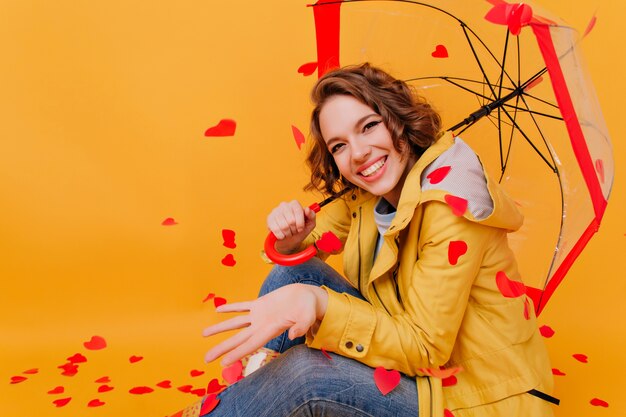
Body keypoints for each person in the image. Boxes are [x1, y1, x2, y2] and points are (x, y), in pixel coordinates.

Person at [170, 63, 555, 417]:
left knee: (306, 375)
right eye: (338, 145)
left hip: (472, 396)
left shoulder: (451, 207)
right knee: (291, 276)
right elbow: (307, 250)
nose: (358, 153)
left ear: (398, 119)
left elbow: (425, 348)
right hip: (415, 361)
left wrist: (319, 302)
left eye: (369, 126)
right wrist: (289, 240)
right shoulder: (365, 191)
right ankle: (253, 399)